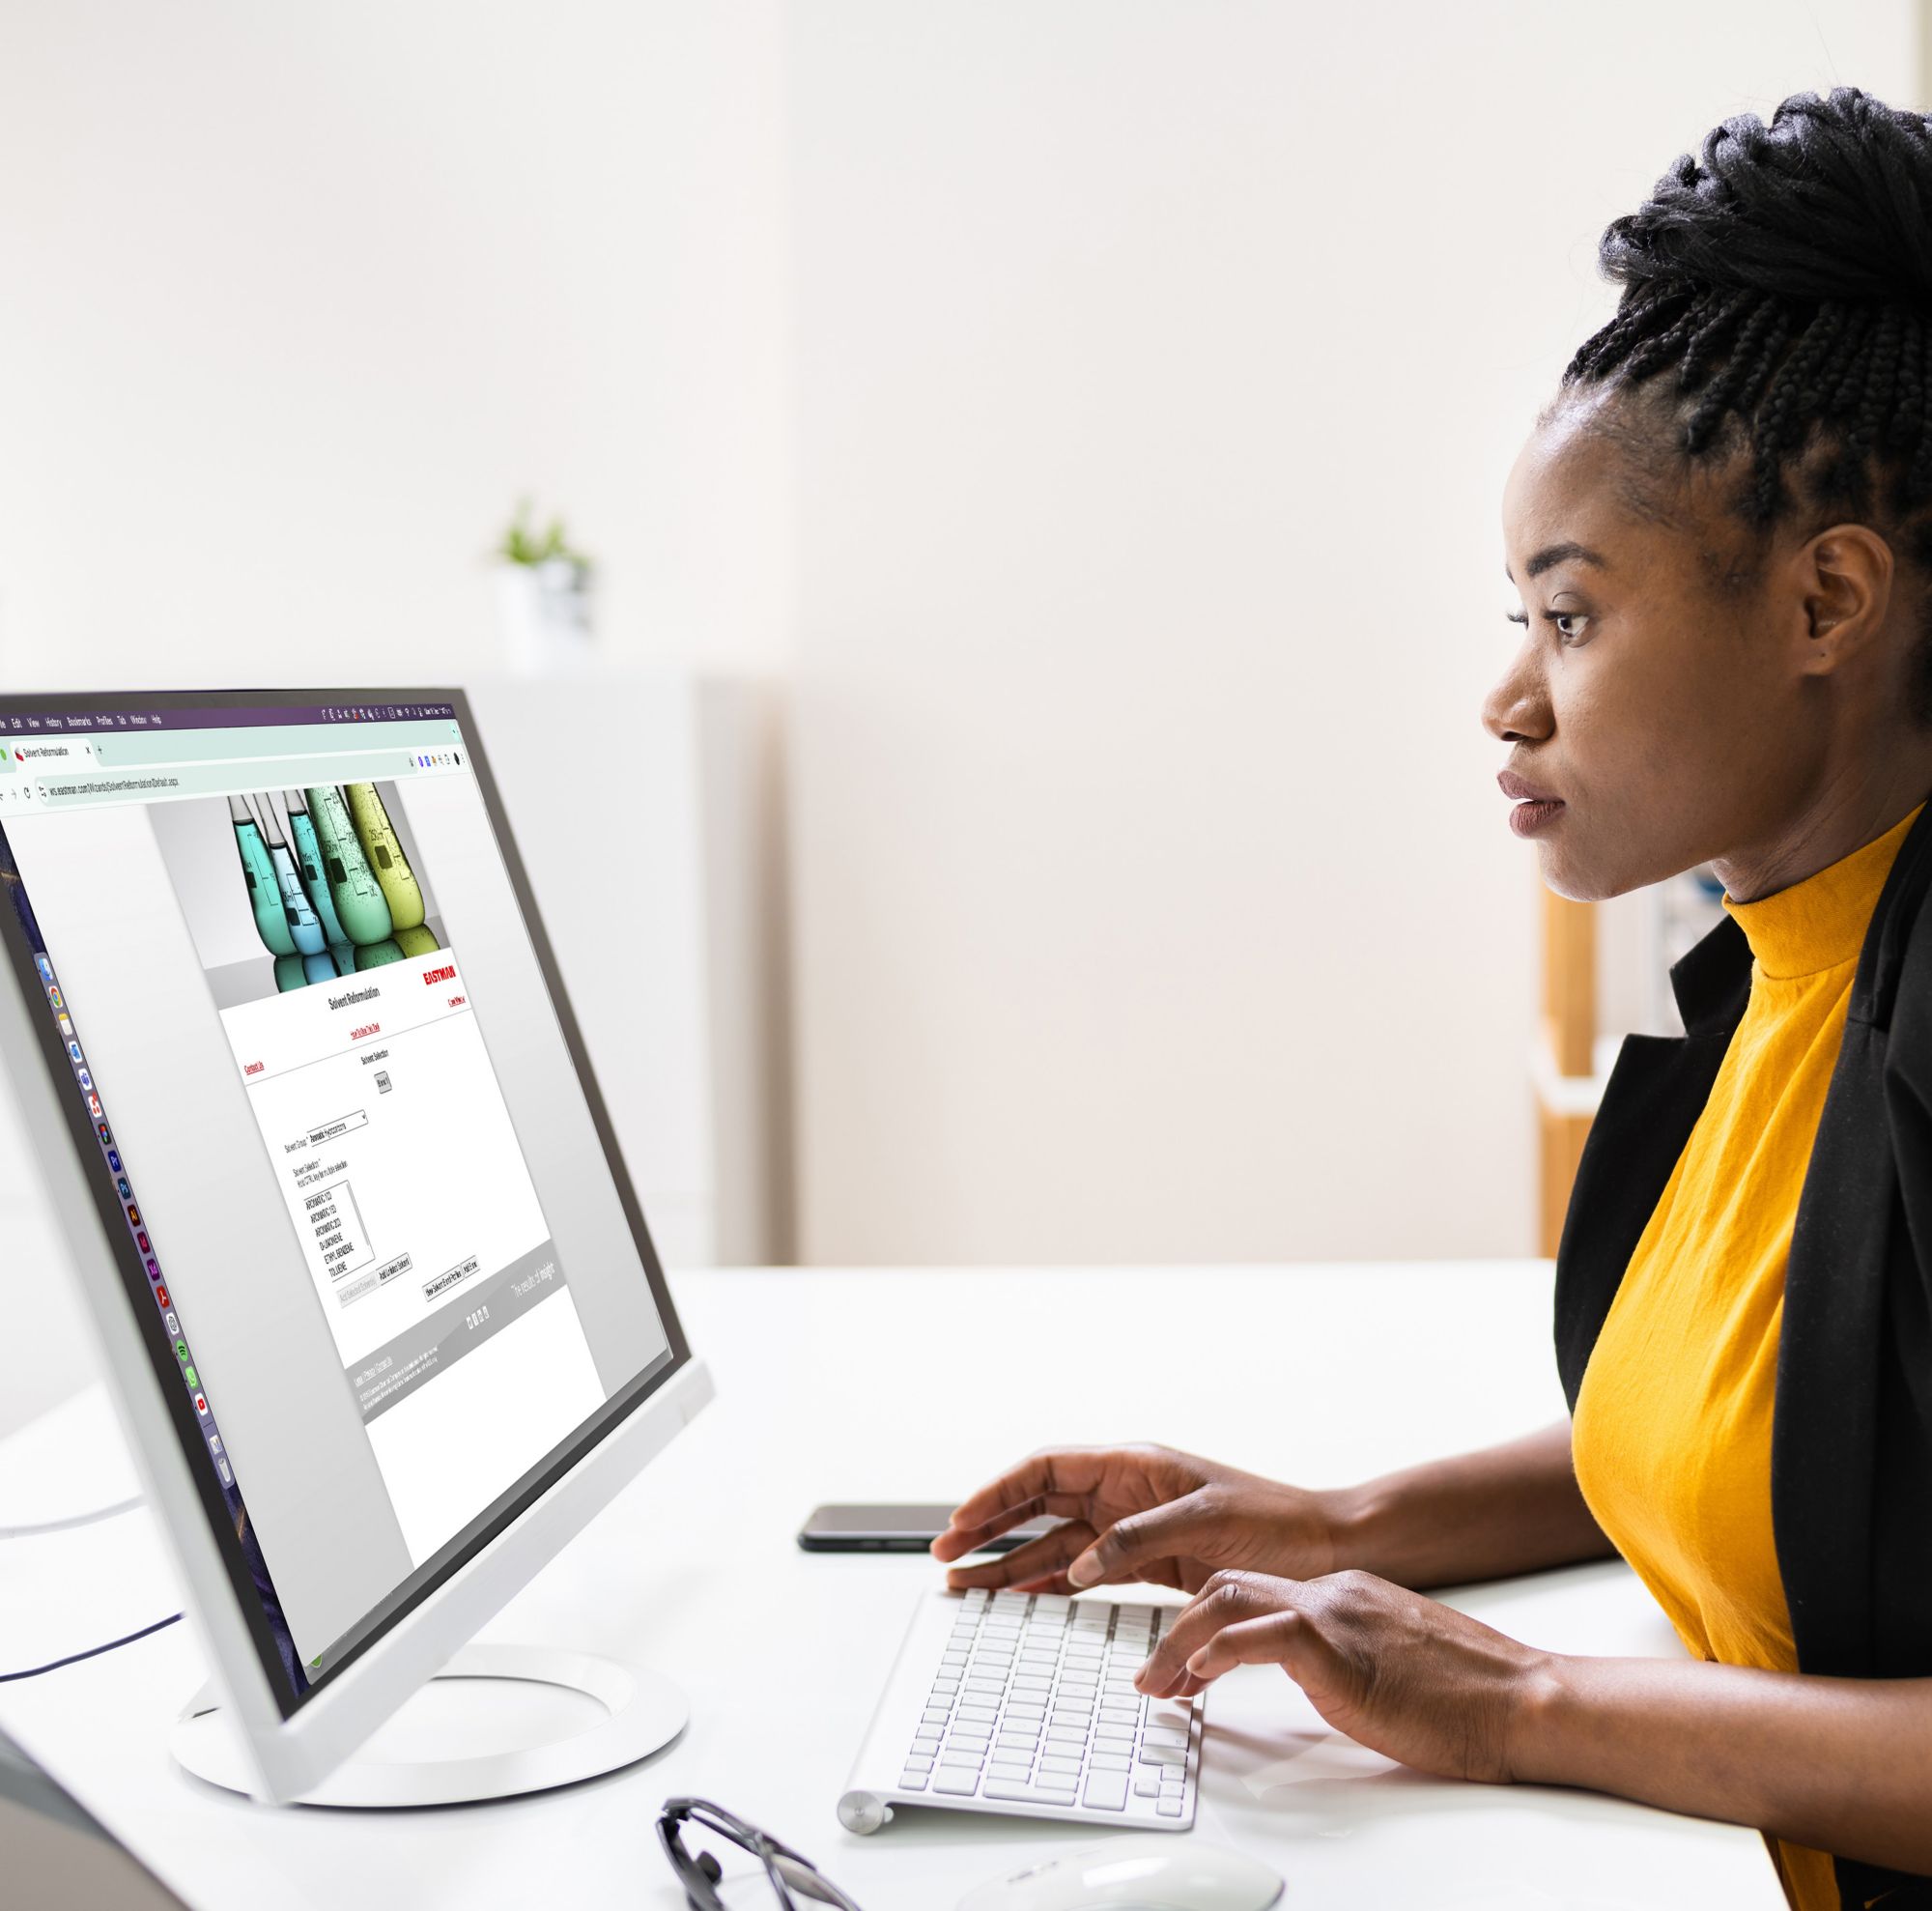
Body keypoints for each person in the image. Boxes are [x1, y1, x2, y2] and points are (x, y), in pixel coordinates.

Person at [933, 86, 1932, 1911]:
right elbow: (1797, 1431)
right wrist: (1331, 1524)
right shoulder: (1795, 963)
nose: (1508, 701)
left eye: (1568, 617)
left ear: (1828, 600)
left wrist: (1527, 1699)